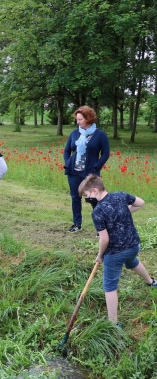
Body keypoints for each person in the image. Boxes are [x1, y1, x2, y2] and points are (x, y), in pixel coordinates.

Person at [78, 174, 157, 326]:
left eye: (86, 196)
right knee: (132, 261)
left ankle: (113, 323)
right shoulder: (120, 196)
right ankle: (151, 282)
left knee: (109, 286)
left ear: (94, 191)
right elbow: (140, 203)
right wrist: (122, 212)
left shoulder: (98, 212)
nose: (87, 200)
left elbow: (105, 239)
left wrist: (100, 255)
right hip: (133, 245)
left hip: (115, 253)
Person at [63, 106, 109, 233]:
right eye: (77, 119)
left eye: (80, 119)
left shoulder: (100, 134)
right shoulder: (75, 133)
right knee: (75, 198)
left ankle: (100, 228)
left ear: (88, 119)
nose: (77, 122)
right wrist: (67, 162)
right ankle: (77, 224)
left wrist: (97, 166)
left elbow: (105, 153)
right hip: (73, 171)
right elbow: (67, 150)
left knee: (94, 199)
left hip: (90, 173)